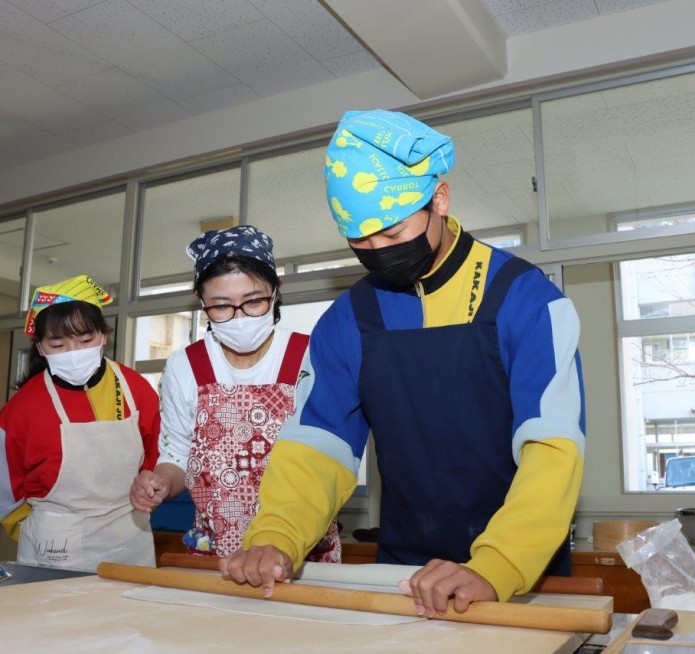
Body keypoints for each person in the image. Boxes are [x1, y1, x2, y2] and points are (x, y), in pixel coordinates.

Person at [220, 110, 586, 618]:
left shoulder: (525, 300)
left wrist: (498, 564)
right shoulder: (348, 320)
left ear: (439, 198)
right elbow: (317, 446)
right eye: (360, 242)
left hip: (517, 569)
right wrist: (277, 535)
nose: (378, 252)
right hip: (404, 572)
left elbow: (553, 446)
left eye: (392, 234)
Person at [129, 226, 341, 563]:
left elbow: (334, 455)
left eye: (254, 301)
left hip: (302, 554)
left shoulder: (310, 356)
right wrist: (161, 483)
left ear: (276, 291)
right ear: (201, 302)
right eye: (221, 306)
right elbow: (178, 454)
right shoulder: (186, 366)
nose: (239, 317)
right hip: (216, 554)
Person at [0, 274, 161, 572]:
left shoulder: (136, 389)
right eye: (58, 344)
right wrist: (36, 526)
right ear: (40, 348)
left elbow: (157, 458)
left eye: (86, 340)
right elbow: (1, 493)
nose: (74, 353)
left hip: (130, 537)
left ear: (104, 335)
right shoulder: (21, 409)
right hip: (54, 544)